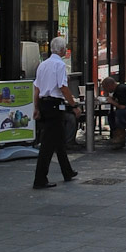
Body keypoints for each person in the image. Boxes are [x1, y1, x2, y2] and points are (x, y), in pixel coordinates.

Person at [32, 37, 80, 189]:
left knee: (58, 140)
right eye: (65, 48)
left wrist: (36, 107)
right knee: (48, 144)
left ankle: (67, 171)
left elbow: (37, 88)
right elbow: (63, 88)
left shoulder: (43, 65)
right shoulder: (60, 65)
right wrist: (74, 105)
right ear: (62, 50)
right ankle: (40, 179)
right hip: (54, 105)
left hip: (44, 104)